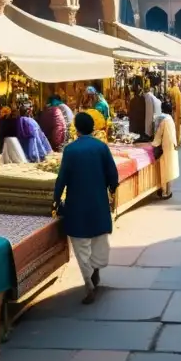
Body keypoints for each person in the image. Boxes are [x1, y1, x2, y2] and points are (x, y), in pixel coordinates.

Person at [54, 112, 120, 305]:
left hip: (77, 205)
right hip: (98, 203)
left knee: (81, 246)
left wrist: (56, 198)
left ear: (77, 128)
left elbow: (62, 177)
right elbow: (112, 174)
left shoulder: (71, 150)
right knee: (99, 241)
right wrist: (112, 190)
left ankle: (89, 283)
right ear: (93, 128)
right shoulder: (101, 147)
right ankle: (96, 271)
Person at [153, 100, 179, 199]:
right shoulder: (170, 119)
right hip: (170, 147)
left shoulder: (162, 119)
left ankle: (164, 191)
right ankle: (168, 191)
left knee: (164, 170)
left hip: (164, 147)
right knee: (169, 170)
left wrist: (153, 144)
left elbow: (158, 134)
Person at [167, 79, 181, 148]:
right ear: (176, 83)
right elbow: (179, 105)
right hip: (176, 113)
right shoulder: (177, 91)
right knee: (177, 129)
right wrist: (180, 116)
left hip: (171, 112)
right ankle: (176, 143)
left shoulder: (170, 90)